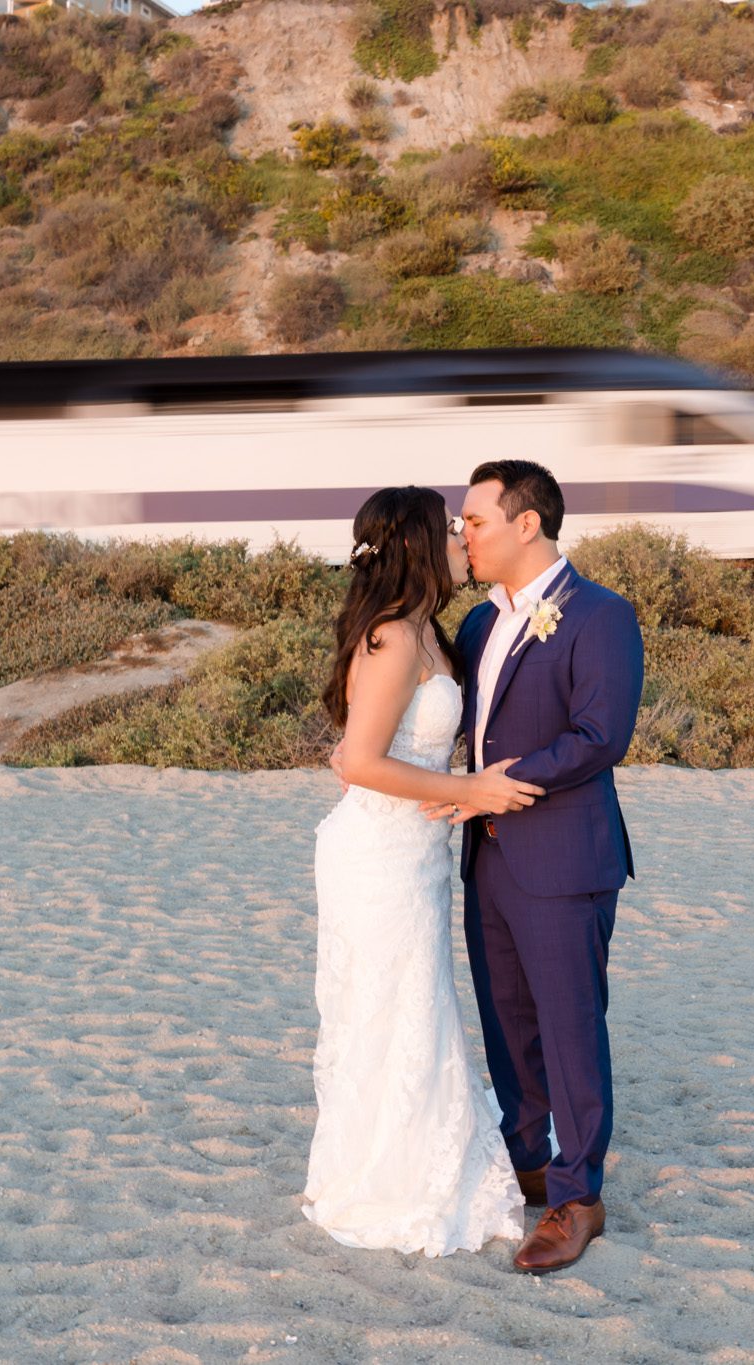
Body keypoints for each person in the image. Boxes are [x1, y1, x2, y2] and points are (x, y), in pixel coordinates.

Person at [334, 460, 645, 1274]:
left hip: (563, 851)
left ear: (527, 524)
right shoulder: (468, 627)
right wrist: (466, 796)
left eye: (474, 520)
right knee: (508, 1023)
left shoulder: (600, 616)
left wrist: (492, 792)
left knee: (570, 1022)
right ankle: (527, 1158)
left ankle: (578, 1195)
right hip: (481, 861)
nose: (463, 533)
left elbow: (599, 735)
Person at [301, 485, 543, 1257]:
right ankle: (385, 1181)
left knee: (416, 1006)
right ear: (413, 542)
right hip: (377, 856)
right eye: (446, 528)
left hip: (417, 856)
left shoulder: (431, 632)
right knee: (387, 1010)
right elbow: (364, 761)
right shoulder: (393, 640)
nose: (458, 537)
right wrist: (470, 790)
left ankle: (414, 1161)